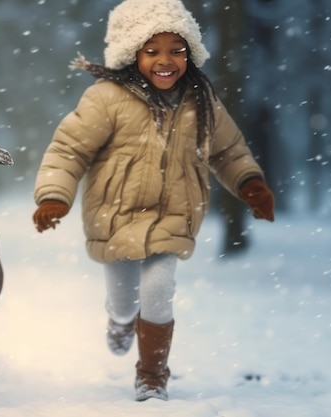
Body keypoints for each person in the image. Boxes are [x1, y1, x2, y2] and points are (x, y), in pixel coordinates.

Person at [32, 0, 275, 402]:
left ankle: (152, 376)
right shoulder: (106, 98)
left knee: (159, 286)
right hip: (115, 217)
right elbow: (69, 149)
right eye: (153, 51)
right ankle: (121, 321)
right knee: (125, 300)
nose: (166, 60)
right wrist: (55, 197)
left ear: (190, 53)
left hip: (174, 214)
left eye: (177, 50)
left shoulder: (202, 99)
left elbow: (228, 151)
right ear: (132, 54)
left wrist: (249, 183)